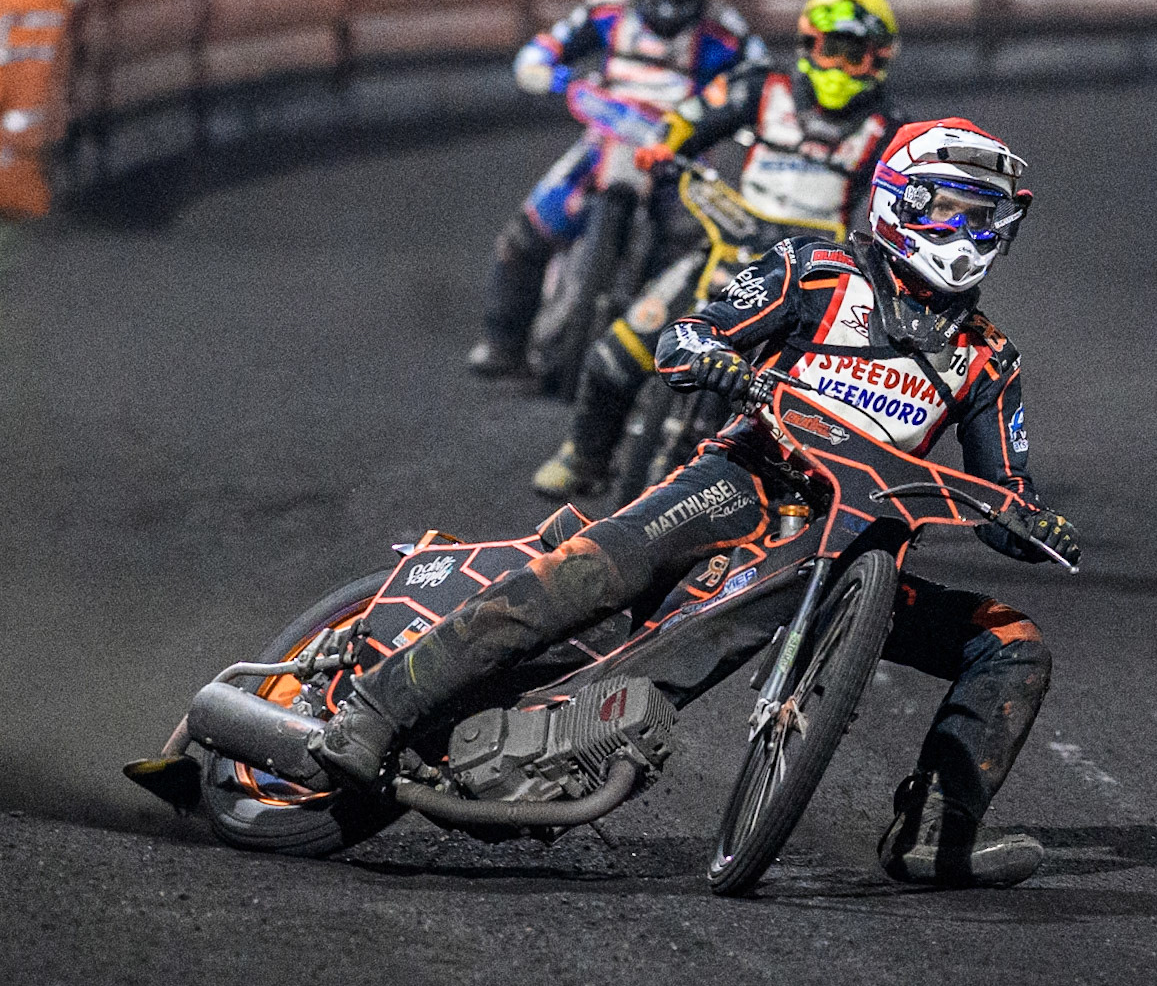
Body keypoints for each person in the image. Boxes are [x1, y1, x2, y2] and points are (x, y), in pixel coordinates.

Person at [317, 114, 1081, 889]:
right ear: (900, 201)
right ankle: (373, 709)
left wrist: (1033, 522)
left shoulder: (987, 360)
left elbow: (1007, 497)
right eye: (953, 208)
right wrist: (713, 359)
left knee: (1013, 641)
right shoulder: (812, 268)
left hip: (853, 551)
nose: (969, 231)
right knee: (590, 574)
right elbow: (689, 333)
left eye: (985, 215)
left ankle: (934, 834)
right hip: (739, 483)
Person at [531, 0, 907, 500]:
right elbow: (690, 118)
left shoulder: (894, 131)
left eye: (855, 55)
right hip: (731, 242)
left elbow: (904, 202)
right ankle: (585, 457)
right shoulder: (760, 87)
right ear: (808, 45)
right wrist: (664, 147)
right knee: (617, 354)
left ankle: (804, 505)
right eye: (832, 50)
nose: (840, 67)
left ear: (879, 60)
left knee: (827, 403)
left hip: (814, 277)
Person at [468, 0, 766, 378]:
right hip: (605, 142)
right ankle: (502, 340)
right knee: (528, 231)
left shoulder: (726, 32)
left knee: (688, 262)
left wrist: (745, 119)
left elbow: (762, 83)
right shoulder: (605, 10)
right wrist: (546, 69)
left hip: (678, 158)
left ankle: (653, 361)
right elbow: (544, 48)